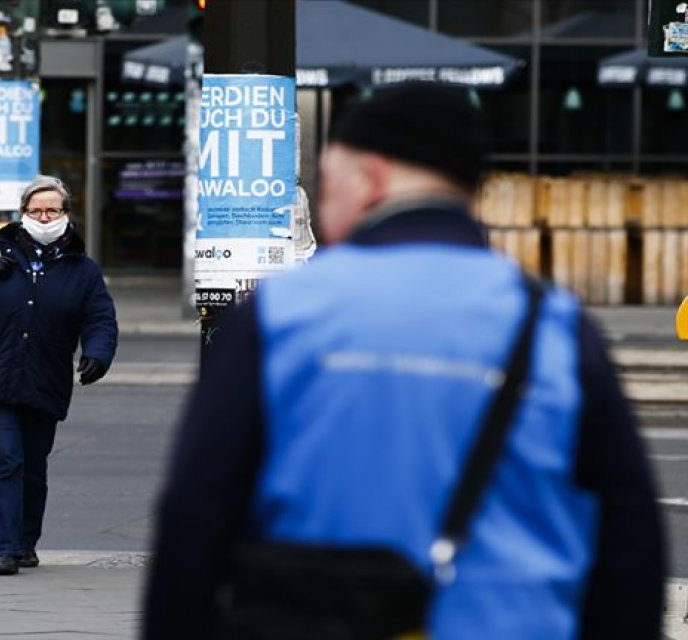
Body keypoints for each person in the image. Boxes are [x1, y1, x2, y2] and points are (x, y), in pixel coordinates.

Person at [143, 84, 664, 638]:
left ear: (370, 177)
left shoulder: (278, 315)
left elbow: (194, 519)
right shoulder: (555, 325)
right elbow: (628, 544)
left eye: (327, 180)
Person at [0, 175, 118, 576]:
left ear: (66, 214)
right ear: (23, 214)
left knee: (33, 466)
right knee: (5, 459)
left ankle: (26, 542)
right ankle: (4, 550)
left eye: (52, 210)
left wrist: (98, 353)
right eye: (35, 210)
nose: (44, 216)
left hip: (45, 376)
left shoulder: (82, 269)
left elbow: (99, 317)